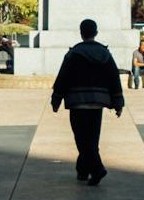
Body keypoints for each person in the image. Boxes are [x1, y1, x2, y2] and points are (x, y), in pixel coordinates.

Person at [51, 17, 124, 185]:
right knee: (92, 138)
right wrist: (118, 102)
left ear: (81, 33)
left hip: (77, 101)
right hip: (98, 102)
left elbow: (63, 78)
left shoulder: (74, 54)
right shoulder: (105, 54)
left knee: (81, 138)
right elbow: (114, 78)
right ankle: (83, 170)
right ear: (96, 33)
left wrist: (56, 99)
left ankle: (97, 169)